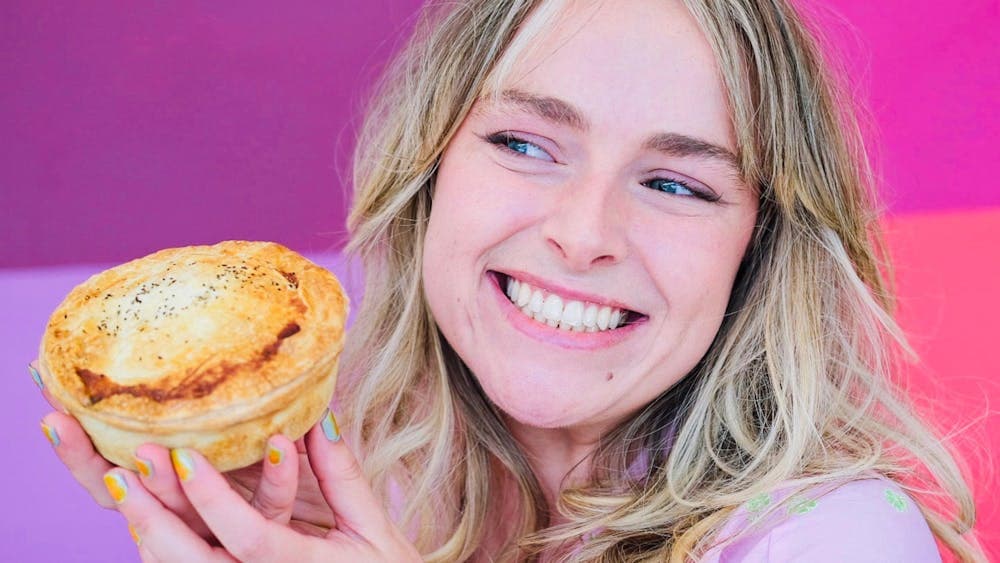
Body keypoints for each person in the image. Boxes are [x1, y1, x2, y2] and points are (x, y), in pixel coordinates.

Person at [33, 0, 985, 561]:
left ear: (760, 247)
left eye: (675, 182)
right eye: (525, 143)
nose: (580, 234)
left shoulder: (837, 541)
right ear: (430, 169)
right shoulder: (367, 491)